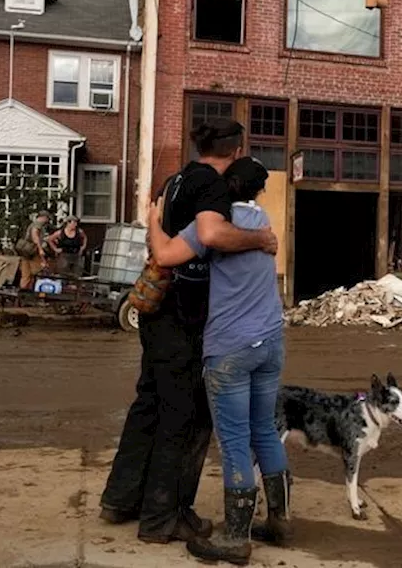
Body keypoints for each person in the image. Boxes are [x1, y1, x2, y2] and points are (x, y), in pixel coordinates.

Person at [99, 119, 278, 544]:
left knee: (149, 406)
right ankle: (165, 517)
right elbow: (212, 233)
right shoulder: (212, 186)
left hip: (157, 313)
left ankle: (121, 499)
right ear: (235, 152)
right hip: (184, 318)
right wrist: (260, 239)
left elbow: (159, 234)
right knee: (186, 418)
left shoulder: (174, 180)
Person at [147, 156, 290, 565]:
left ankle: (236, 537)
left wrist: (154, 218)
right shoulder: (265, 224)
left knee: (233, 442)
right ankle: (280, 520)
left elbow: (165, 255)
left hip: (230, 348)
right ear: (258, 190)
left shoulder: (213, 227)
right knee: (264, 428)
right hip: (270, 342)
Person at [18, 210, 51, 290]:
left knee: (26, 274)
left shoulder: (31, 224)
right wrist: (40, 249)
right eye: (47, 218)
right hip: (33, 252)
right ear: (44, 217)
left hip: (25, 252)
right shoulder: (38, 225)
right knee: (39, 270)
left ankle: (23, 291)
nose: (47, 221)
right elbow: (35, 236)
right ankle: (36, 290)